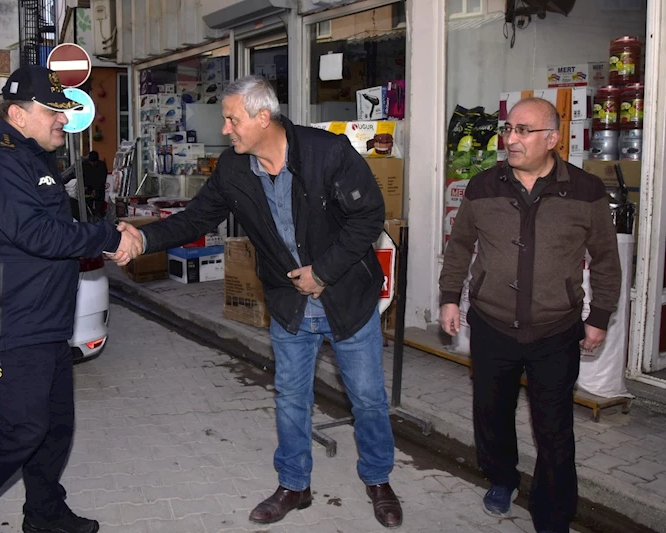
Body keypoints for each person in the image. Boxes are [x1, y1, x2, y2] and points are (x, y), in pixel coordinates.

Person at [118, 75, 403, 528]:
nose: (225, 129)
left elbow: (368, 216)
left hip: (346, 297)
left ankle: (378, 479)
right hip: (289, 305)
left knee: (367, 398)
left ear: (263, 117)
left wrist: (323, 273)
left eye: (232, 119)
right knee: (291, 397)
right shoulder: (233, 170)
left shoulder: (326, 153)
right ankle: (294, 484)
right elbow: (195, 218)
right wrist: (144, 238)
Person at [0, 65, 137, 533]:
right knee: (24, 428)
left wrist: (100, 234)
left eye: (64, 111)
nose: (62, 120)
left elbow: (56, 231)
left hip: (44, 321)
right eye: (52, 111)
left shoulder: (33, 158)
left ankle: (45, 514)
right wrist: (110, 237)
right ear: (17, 114)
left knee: (54, 428)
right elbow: (37, 234)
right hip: (5, 326)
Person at [438, 97, 621, 533]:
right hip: (491, 323)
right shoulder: (483, 186)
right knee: (491, 412)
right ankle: (502, 478)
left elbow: (607, 259)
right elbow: (461, 244)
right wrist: (449, 297)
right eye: (509, 129)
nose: (510, 139)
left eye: (523, 130)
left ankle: (554, 513)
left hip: (555, 328)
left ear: (553, 139)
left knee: (554, 428)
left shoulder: (585, 190)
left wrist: (600, 317)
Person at [83, 151, 109, 218]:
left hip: (99, 190)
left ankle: (99, 220)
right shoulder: (85, 165)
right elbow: (84, 178)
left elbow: (102, 179)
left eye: (94, 162)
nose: (92, 163)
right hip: (88, 190)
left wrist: (96, 189)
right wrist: (89, 189)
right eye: (91, 162)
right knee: (88, 209)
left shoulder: (102, 166)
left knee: (99, 209)